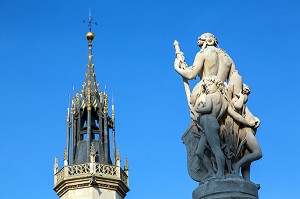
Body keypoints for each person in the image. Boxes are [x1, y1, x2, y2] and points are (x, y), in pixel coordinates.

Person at [174, 33, 237, 113]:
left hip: (206, 91)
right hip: (223, 96)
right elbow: (235, 81)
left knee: (201, 121)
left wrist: (177, 68)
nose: (200, 47)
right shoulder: (227, 57)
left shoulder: (203, 53)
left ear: (206, 42)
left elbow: (191, 75)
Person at [231, 84, 262, 181]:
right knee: (257, 153)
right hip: (245, 130)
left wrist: (256, 119)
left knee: (247, 159)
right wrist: (241, 96)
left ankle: (247, 181)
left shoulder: (245, 105)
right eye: (245, 91)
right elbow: (237, 106)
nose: (247, 94)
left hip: (250, 131)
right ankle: (237, 165)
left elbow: (248, 115)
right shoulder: (236, 100)